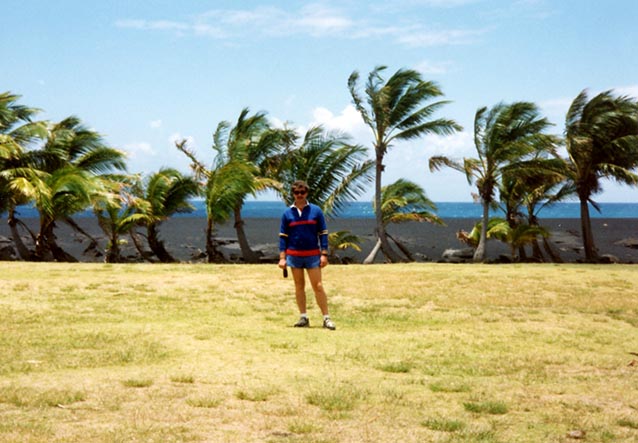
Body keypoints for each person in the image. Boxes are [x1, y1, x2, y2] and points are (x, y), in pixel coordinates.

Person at [278, 180, 336, 330]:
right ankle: (303, 317)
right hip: (294, 255)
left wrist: (324, 254)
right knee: (299, 286)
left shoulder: (316, 211)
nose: (299, 195)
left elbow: (323, 233)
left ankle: (326, 318)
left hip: (312, 255)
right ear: (293, 194)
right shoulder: (287, 213)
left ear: (307, 193)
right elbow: (283, 236)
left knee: (318, 286)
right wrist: (282, 258)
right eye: (296, 193)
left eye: (302, 192)